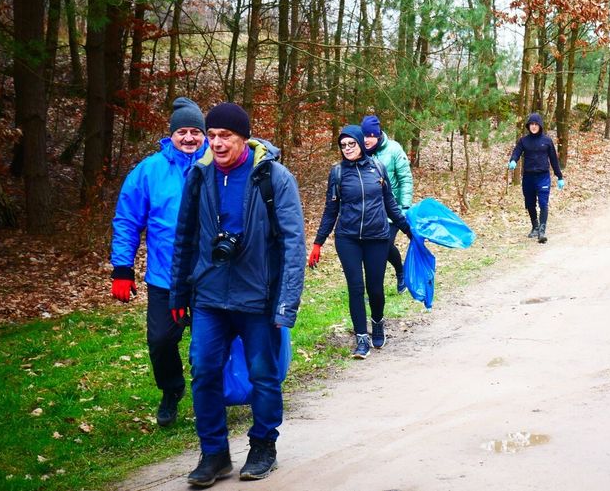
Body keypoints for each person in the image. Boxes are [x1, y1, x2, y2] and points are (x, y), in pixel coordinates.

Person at [169, 102, 306, 486]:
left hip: (258, 297)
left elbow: (293, 244)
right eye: (211, 136)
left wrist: (285, 303)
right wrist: (178, 293)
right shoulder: (200, 175)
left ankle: (263, 445)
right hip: (209, 296)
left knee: (263, 374)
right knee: (204, 371)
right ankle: (214, 454)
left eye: (225, 136)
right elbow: (185, 237)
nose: (216, 143)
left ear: (244, 138)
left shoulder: (273, 178)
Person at [110, 97, 207, 428]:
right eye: (183, 132)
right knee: (161, 341)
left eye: (196, 131)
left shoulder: (217, 163)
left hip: (209, 274)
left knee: (208, 344)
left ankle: (212, 396)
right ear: (171, 134)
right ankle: (171, 389)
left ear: (204, 134)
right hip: (165, 277)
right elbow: (127, 220)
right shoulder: (148, 171)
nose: (189, 138)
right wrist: (122, 269)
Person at [308, 125, 412, 359]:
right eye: (343, 145)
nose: (347, 149)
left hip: (377, 237)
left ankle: (377, 322)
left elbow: (390, 204)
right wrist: (318, 243)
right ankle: (361, 338)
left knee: (375, 288)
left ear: (359, 144)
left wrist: (408, 230)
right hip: (348, 238)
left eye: (351, 144)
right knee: (355, 288)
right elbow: (330, 210)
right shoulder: (337, 173)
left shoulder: (378, 168)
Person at [361, 115, 413, 292]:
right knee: (379, 247)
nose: (366, 140)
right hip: (371, 211)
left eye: (370, 136)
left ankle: (376, 289)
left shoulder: (394, 149)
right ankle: (400, 272)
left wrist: (404, 207)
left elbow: (405, 179)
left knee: (383, 246)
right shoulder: (361, 152)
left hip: (393, 210)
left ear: (378, 134)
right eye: (364, 135)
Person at [507, 112, 564, 244]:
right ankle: (535, 226)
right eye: (531, 124)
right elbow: (517, 152)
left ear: (540, 126)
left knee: (543, 202)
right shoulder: (524, 141)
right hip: (528, 177)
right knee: (530, 203)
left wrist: (559, 176)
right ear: (528, 126)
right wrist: (513, 160)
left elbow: (554, 160)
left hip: (543, 176)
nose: (533, 126)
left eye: (536, 124)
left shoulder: (547, 141)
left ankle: (542, 231)